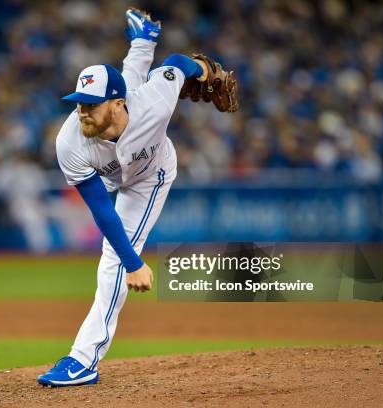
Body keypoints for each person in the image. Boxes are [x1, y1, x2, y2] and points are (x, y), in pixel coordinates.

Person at [37, 8, 237, 387]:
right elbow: (101, 211)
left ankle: (83, 360)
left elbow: (179, 64)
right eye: (78, 103)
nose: (82, 111)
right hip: (110, 174)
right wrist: (135, 263)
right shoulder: (70, 142)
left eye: (90, 104)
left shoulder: (153, 100)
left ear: (115, 104)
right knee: (130, 70)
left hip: (152, 173)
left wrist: (210, 72)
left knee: (111, 260)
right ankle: (144, 36)